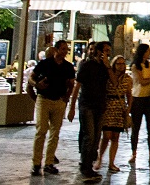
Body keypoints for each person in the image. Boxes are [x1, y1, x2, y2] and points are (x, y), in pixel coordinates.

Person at [30, 40, 76, 177]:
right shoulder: (45, 64)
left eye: (66, 49)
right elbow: (31, 79)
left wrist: (66, 98)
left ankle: (49, 162)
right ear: (56, 50)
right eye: (62, 49)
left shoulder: (68, 67)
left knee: (55, 133)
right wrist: (37, 85)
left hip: (58, 100)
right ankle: (36, 163)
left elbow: (71, 84)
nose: (64, 52)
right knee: (41, 130)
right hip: (44, 99)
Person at [69, 40, 112, 181]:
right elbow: (77, 86)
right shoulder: (86, 65)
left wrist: (108, 67)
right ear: (98, 51)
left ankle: (89, 163)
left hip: (100, 105)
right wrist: (72, 107)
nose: (107, 53)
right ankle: (86, 166)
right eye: (105, 50)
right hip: (87, 104)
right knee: (89, 135)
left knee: (96, 137)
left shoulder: (105, 67)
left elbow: (114, 82)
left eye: (108, 51)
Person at [93, 55, 132, 174]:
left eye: (123, 63)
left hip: (120, 108)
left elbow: (129, 95)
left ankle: (111, 162)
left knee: (115, 137)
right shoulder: (108, 77)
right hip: (108, 106)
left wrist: (128, 109)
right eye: (118, 63)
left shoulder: (127, 79)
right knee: (106, 136)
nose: (121, 66)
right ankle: (100, 158)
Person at [129, 43, 150, 167]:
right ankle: (133, 153)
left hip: (149, 98)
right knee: (135, 128)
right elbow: (142, 82)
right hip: (137, 98)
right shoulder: (135, 66)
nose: (149, 52)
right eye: (148, 50)